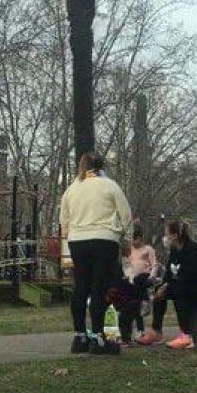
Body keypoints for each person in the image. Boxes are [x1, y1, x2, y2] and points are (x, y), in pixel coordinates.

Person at [59, 152, 132, 355]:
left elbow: (63, 219)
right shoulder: (109, 185)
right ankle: (99, 337)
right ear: (101, 167)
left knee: (81, 287)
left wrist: (69, 234)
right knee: (99, 288)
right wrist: (126, 238)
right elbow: (126, 214)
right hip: (104, 239)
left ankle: (79, 336)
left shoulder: (72, 189)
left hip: (77, 240)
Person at [137, 220, 197, 349]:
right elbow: (170, 273)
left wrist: (169, 286)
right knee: (161, 290)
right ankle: (156, 331)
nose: (165, 238)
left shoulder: (193, 251)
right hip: (190, 285)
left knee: (180, 290)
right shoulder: (175, 251)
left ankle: (186, 335)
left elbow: (188, 278)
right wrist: (163, 286)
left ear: (175, 236)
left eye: (167, 234)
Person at [126, 225, 159, 338]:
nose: (135, 241)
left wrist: (152, 276)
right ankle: (139, 329)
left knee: (139, 280)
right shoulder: (130, 250)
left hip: (146, 277)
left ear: (141, 238)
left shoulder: (148, 249)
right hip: (133, 281)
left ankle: (145, 300)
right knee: (136, 303)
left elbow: (154, 264)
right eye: (132, 239)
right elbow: (128, 266)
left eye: (136, 239)